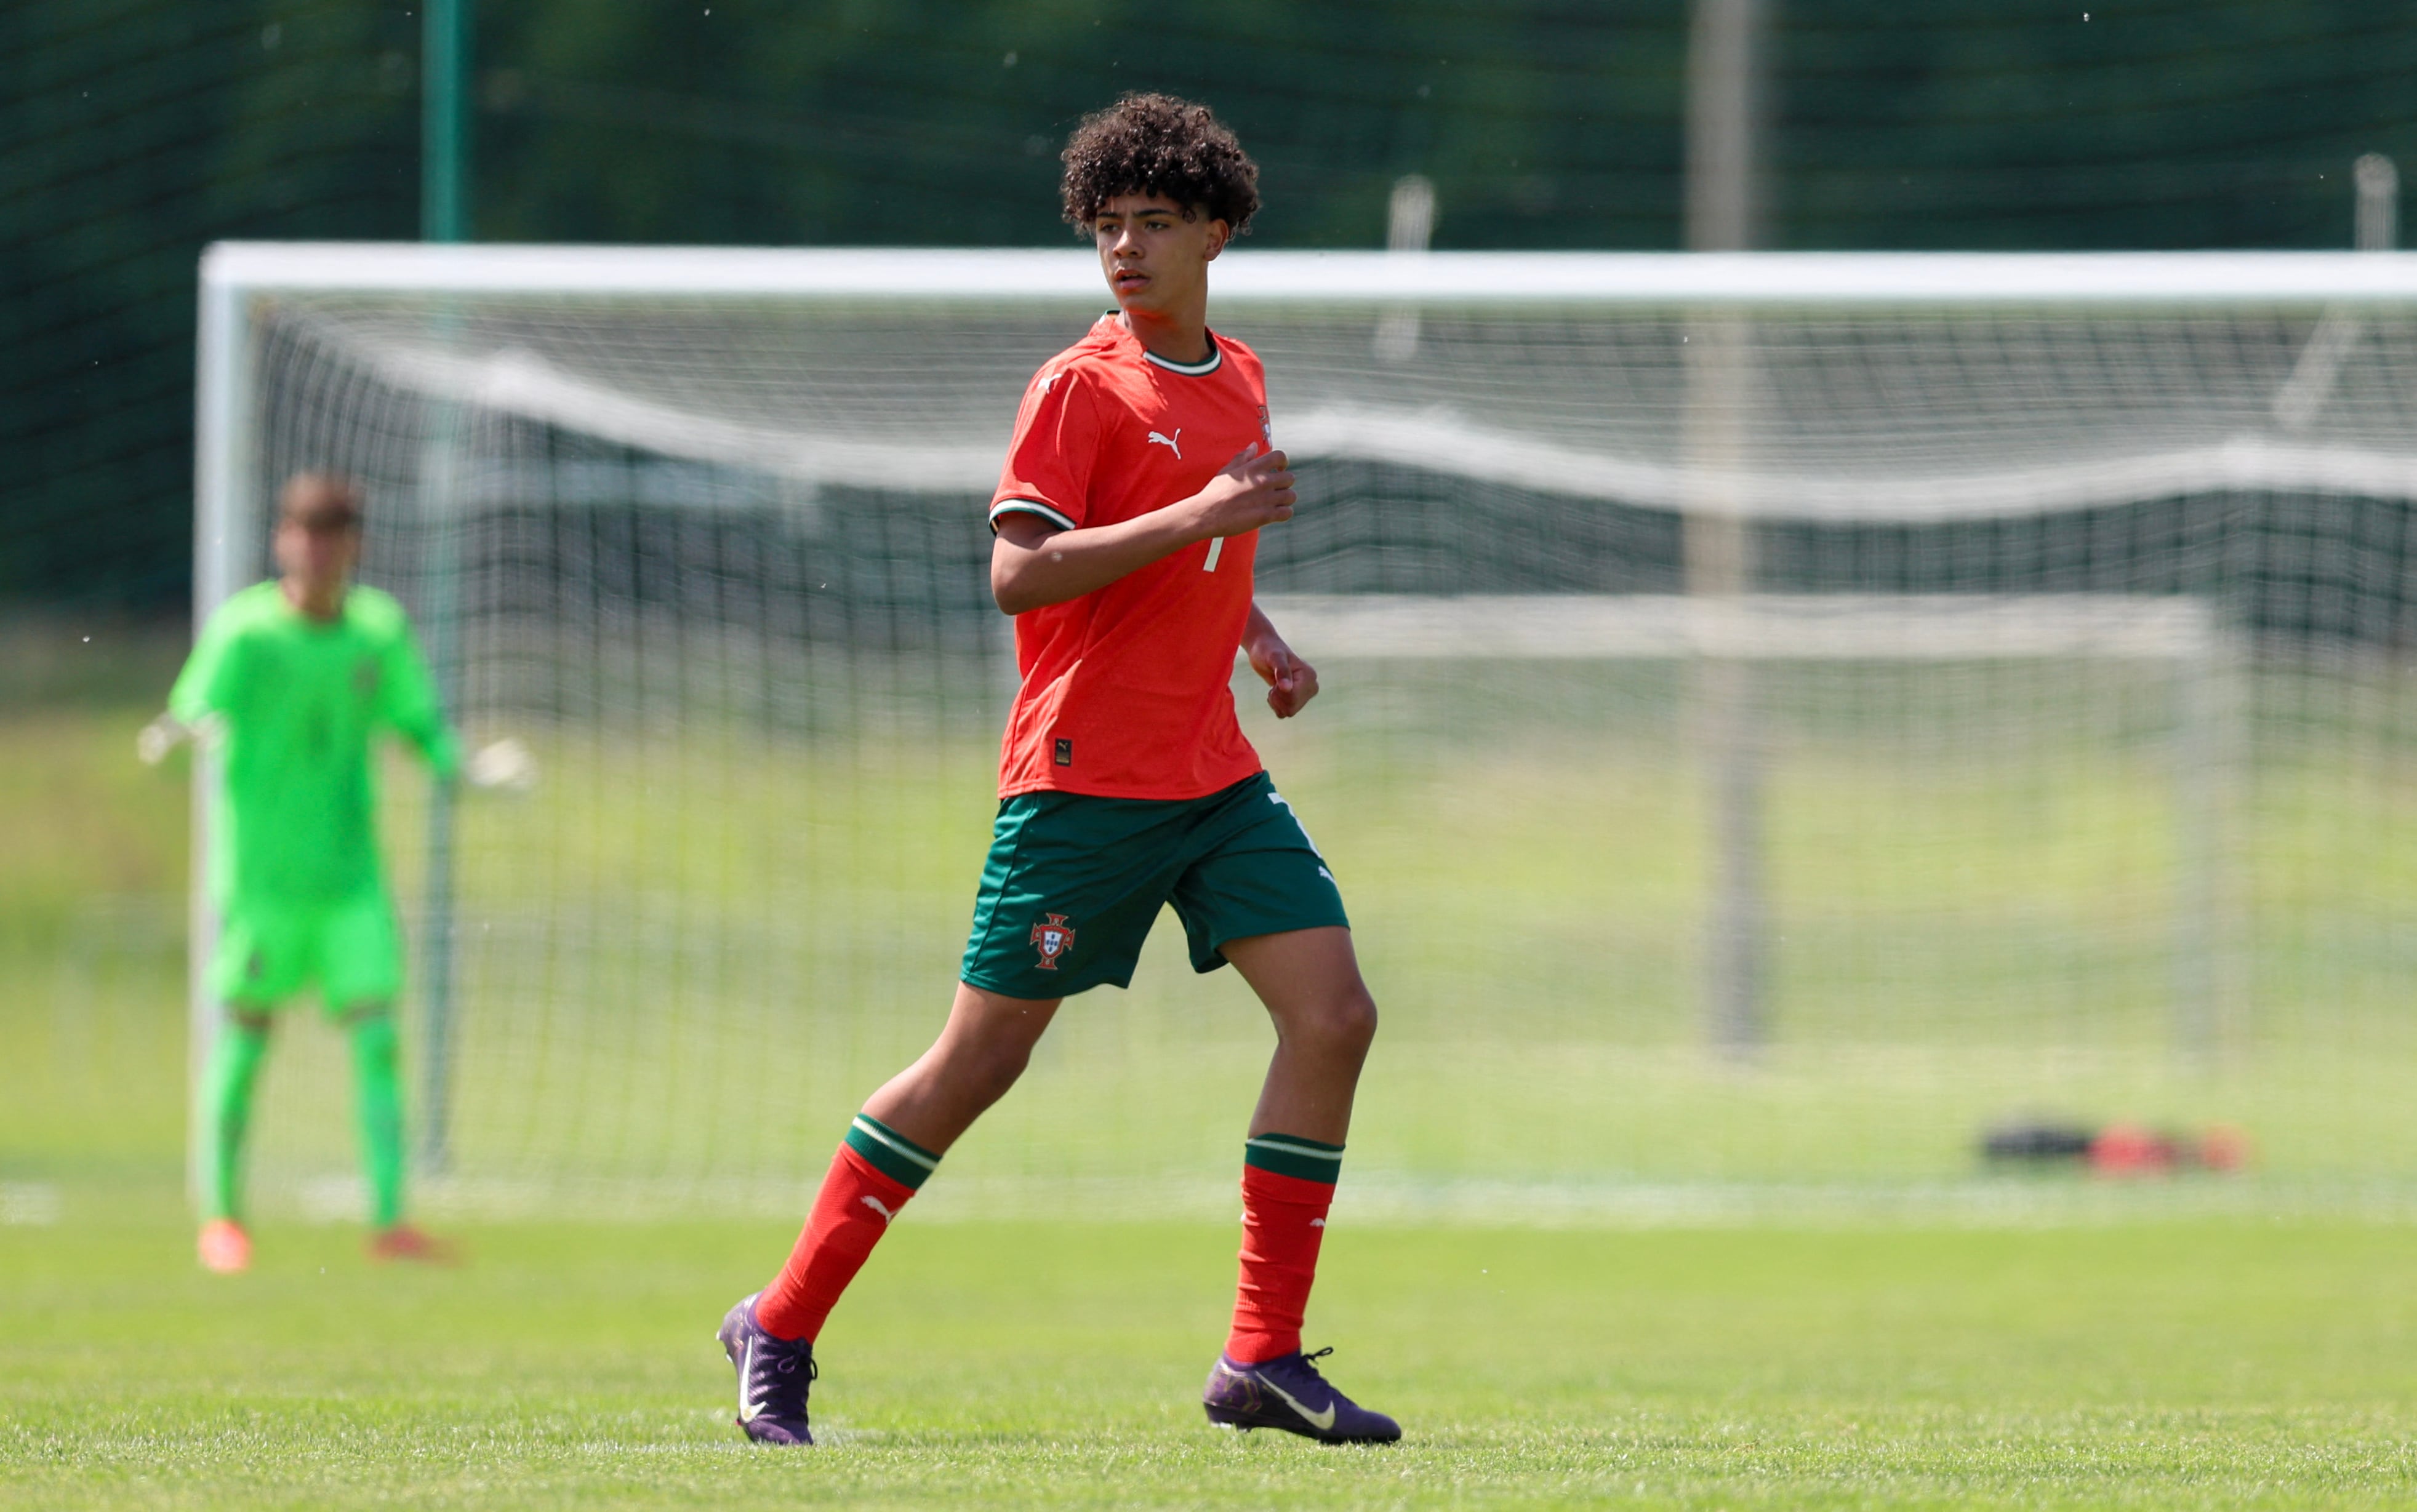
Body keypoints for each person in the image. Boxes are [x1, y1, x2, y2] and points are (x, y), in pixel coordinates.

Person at [716, 93, 1398, 1447]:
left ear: (1216, 232)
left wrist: (1257, 634)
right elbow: (1018, 572)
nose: (1126, 248)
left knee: (1334, 1016)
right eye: (1108, 225)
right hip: (1082, 781)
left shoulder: (1241, 376)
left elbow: (1200, 552)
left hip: (1211, 775)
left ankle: (1259, 1355)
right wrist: (1202, 513)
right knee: (978, 1062)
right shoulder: (1078, 386)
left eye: (1155, 223)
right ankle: (778, 1322)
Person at [146, 473, 531, 1273]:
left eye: (330, 536)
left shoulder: (377, 633)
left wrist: (472, 769)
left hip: (351, 881)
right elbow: (192, 708)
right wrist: (174, 735)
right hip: (264, 884)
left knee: (379, 1037)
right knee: (246, 1039)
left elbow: (420, 729)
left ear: (352, 546)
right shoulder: (246, 632)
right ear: (283, 540)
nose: (315, 551)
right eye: (303, 533)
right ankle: (222, 1219)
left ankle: (390, 1222)